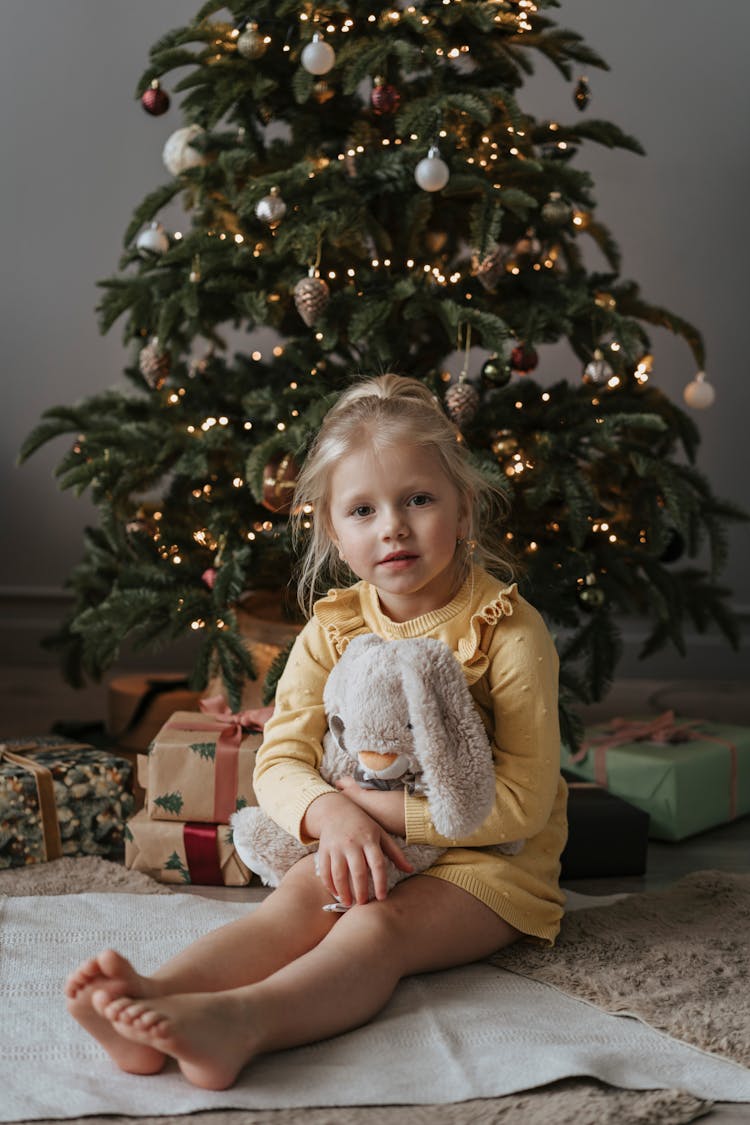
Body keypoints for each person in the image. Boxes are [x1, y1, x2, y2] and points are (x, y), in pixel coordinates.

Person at [65, 373, 567, 1091]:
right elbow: (279, 762)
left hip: (491, 867)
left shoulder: (509, 632)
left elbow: (521, 804)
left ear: (464, 509)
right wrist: (330, 813)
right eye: (363, 509)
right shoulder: (332, 627)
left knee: (372, 927)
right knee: (300, 900)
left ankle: (242, 1022)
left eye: (418, 499)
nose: (392, 524)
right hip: (366, 839)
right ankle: (147, 997)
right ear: (334, 530)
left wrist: (366, 811)